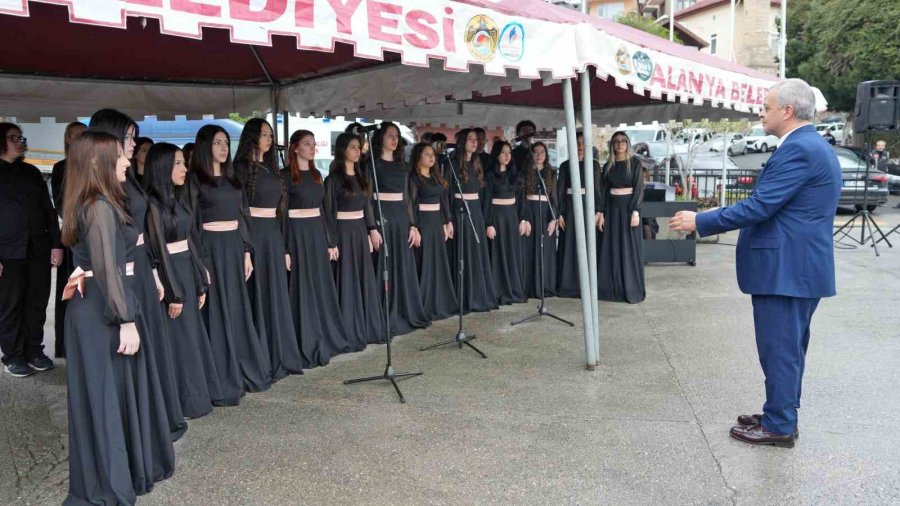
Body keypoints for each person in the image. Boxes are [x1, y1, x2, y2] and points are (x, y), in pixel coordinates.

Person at [671, 79, 842, 448]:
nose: (760, 113)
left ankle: (779, 424)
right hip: (796, 269)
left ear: (787, 111)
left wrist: (700, 221)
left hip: (786, 271)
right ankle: (780, 413)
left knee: (779, 350)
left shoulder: (800, 149)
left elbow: (760, 206)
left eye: (766, 107)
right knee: (788, 350)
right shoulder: (810, 145)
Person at [61, 130, 175, 504]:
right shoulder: (98, 207)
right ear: (97, 162)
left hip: (98, 306)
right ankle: (110, 478)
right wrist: (126, 319)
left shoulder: (96, 202)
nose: (128, 161)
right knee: (107, 397)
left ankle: (119, 469)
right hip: (101, 312)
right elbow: (108, 268)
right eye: (120, 156)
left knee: (111, 394)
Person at [89, 109, 187, 440]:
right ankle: (143, 425)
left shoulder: (126, 177)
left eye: (133, 137)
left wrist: (157, 273)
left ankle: (157, 418)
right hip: (124, 272)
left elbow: (145, 232)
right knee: (135, 347)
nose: (133, 144)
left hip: (143, 266)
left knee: (152, 346)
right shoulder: (103, 188)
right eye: (128, 137)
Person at [188, 124, 272, 405]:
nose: (224, 147)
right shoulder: (195, 180)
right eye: (217, 143)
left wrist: (247, 251)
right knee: (215, 310)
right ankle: (218, 376)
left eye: (226, 142)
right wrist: (199, 263)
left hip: (234, 248)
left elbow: (242, 215)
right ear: (205, 146)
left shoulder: (233, 178)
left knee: (236, 308)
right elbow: (191, 225)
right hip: (210, 249)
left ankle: (241, 367)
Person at [143, 142, 224, 419]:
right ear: (163, 167)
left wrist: (200, 279)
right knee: (176, 341)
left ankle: (196, 397)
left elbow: (189, 241)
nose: (184, 168)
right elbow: (157, 251)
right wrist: (173, 292)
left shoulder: (178, 199)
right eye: (178, 163)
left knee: (191, 337)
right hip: (170, 278)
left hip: (186, 272)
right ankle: (178, 402)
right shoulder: (151, 204)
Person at [233, 118, 303, 381]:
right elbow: (238, 208)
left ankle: (278, 350)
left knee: (274, 290)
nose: (269, 139)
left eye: (270, 134)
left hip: (272, 233)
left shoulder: (271, 167)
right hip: (253, 231)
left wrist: (284, 246)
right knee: (257, 291)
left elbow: (280, 210)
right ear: (252, 137)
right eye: (263, 134)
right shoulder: (241, 168)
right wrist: (245, 246)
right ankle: (259, 352)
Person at [283, 130, 353, 368]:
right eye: (307, 144)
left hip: (315, 232)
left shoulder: (317, 176)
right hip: (296, 233)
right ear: (295, 148)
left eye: (313, 144)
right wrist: (285, 248)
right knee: (301, 285)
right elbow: (281, 214)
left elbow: (323, 211)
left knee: (319, 284)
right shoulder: (285, 177)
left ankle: (325, 332)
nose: (312, 148)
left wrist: (330, 241)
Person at [0, 122, 62, 377]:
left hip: (38, 248)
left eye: (20, 137)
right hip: (7, 253)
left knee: (36, 303)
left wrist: (57, 244)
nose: (20, 141)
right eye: (13, 138)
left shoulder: (32, 172)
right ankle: (12, 356)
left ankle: (33, 350)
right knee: (10, 306)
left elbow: (49, 211)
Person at [324, 132, 386, 349]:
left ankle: (367, 326)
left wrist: (372, 229)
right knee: (347, 278)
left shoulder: (362, 177)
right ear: (343, 150)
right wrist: (331, 242)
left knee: (362, 277)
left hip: (360, 231)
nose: (358, 151)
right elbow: (328, 212)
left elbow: (367, 205)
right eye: (353, 147)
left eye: (359, 147)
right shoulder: (332, 180)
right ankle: (348, 328)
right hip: (343, 232)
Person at [370, 122, 430, 336]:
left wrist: (413, 225)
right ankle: (383, 313)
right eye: (390, 136)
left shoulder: (402, 166)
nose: (394, 140)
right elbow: (368, 198)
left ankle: (404, 310)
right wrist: (371, 227)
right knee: (383, 265)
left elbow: (408, 199)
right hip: (382, 216)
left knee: (403, 264)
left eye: (396, 136)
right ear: (381, 139)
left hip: (400, 218)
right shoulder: (372, 165)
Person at [447, 129, 497, 313]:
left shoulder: (477, 163)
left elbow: (484, 194)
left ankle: (478, 294)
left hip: (475, 211)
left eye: (476, 140)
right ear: (461, 142)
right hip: (459, 209)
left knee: (476, 253)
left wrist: (487, 220)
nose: (474, 142)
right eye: (470, 139)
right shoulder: (452, 163)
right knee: (462, 253)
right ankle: (462, 297)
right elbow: (447, 193)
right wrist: (448, 219)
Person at [409, 142, 458, 320]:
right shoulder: (414, 178)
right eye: (427, 154)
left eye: (433, 154)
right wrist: (414, 226)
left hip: (438, 222)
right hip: (424, 222)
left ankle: (441, 301)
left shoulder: (437, 176)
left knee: (439, 261)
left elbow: (444, 199)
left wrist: (448, 221)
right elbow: (411, 205)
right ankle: (424, 304)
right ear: (418, 157)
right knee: (424, 261)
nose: (431, 157)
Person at [50, 121, 86, 358]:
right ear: (68, 139)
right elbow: (62, 205)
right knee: (70, 291)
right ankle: (65, 345)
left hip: (89, 233)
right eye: (78, 136)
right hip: (74, 235)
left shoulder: (91, 165)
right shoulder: (61, 167)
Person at [597, 131, 646, 304]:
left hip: (628, 210)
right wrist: (600, 212)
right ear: (612, 145)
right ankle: (611, 289)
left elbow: (639, 187)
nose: (620, 144)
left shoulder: (635, 163)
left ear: (627, 144)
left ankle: (631, 288)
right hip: (611, 209)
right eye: (616, 141)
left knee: (628, 248)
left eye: (623, 141)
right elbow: (602, 190)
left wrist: (635, 211)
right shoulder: (608, 166)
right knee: (612, 248)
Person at [556, 131, 601, 298]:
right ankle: (568, 286)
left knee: (588, 245)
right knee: (569, 245)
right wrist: (559, 213)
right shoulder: (565, 166)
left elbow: (598, 190)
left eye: (583, 142)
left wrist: (599, 211)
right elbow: (559, 191)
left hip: (588, 208)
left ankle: (588, 287)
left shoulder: (594, 165)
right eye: (577, 142)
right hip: (569, 208)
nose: (580, 146)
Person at [484, 140, 528, 305]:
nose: (507, 155)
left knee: (511, 252)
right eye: (503, 152)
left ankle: (513, 289)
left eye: (509, 152)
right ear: (496, 154)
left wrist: (522, 219)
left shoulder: (516, 175)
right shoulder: (489, 176)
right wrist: (489, 223)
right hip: (496, 217)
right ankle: (498, 291)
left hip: (512, 217)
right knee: (497, 253)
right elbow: (487, 200)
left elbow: (521, 199)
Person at [521, 142, 558, 299]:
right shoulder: (525, 172)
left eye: (542, 152)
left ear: (546, 154)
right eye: (535, 152)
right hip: (530, 212)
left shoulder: (550, 172)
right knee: (529, 250)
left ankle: (544, 286)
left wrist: (553, 218)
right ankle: (529, 286)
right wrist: (524, 218)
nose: (539, 155)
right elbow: (521, 197)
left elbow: (554, 197)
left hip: (545, 214)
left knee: (545, 251)